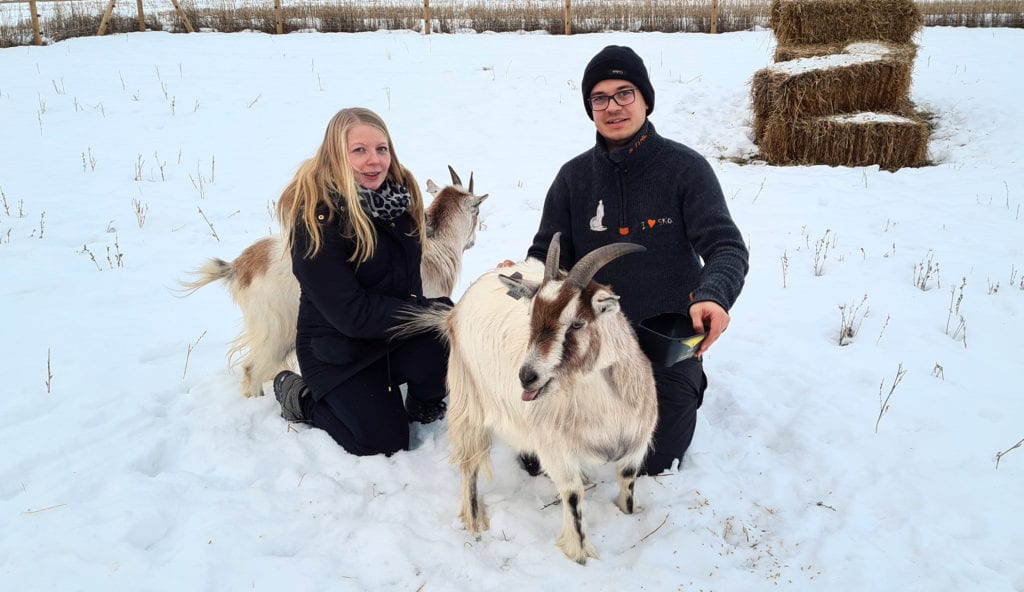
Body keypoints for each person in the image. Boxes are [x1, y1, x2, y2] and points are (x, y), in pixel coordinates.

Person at [512, 46, 749, 475]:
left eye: (624, 93)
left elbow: (726, 246)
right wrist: (523, 274)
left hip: (666, 338)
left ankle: (682, 388)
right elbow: (547, 252)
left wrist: (713, 295)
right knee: (536, 459)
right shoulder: (572, 178)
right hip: (588, 337)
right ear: (590, 108)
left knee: (652, 458)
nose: (612, 107)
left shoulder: (685, 169)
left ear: (645, 99)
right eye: (599, 98)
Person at [272, 107, 451, 457]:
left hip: (390, 333)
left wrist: (434, 323)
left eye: (381, 149)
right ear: (336, 155)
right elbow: (351, 315)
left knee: (450, 336)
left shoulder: (399, 197)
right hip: (338, 351)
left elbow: (410, 282)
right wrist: (426, 313)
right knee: (384, 443)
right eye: (359, 150)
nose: (374, 162)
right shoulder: (317, 220)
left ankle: (423, 402)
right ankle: (304, 399)